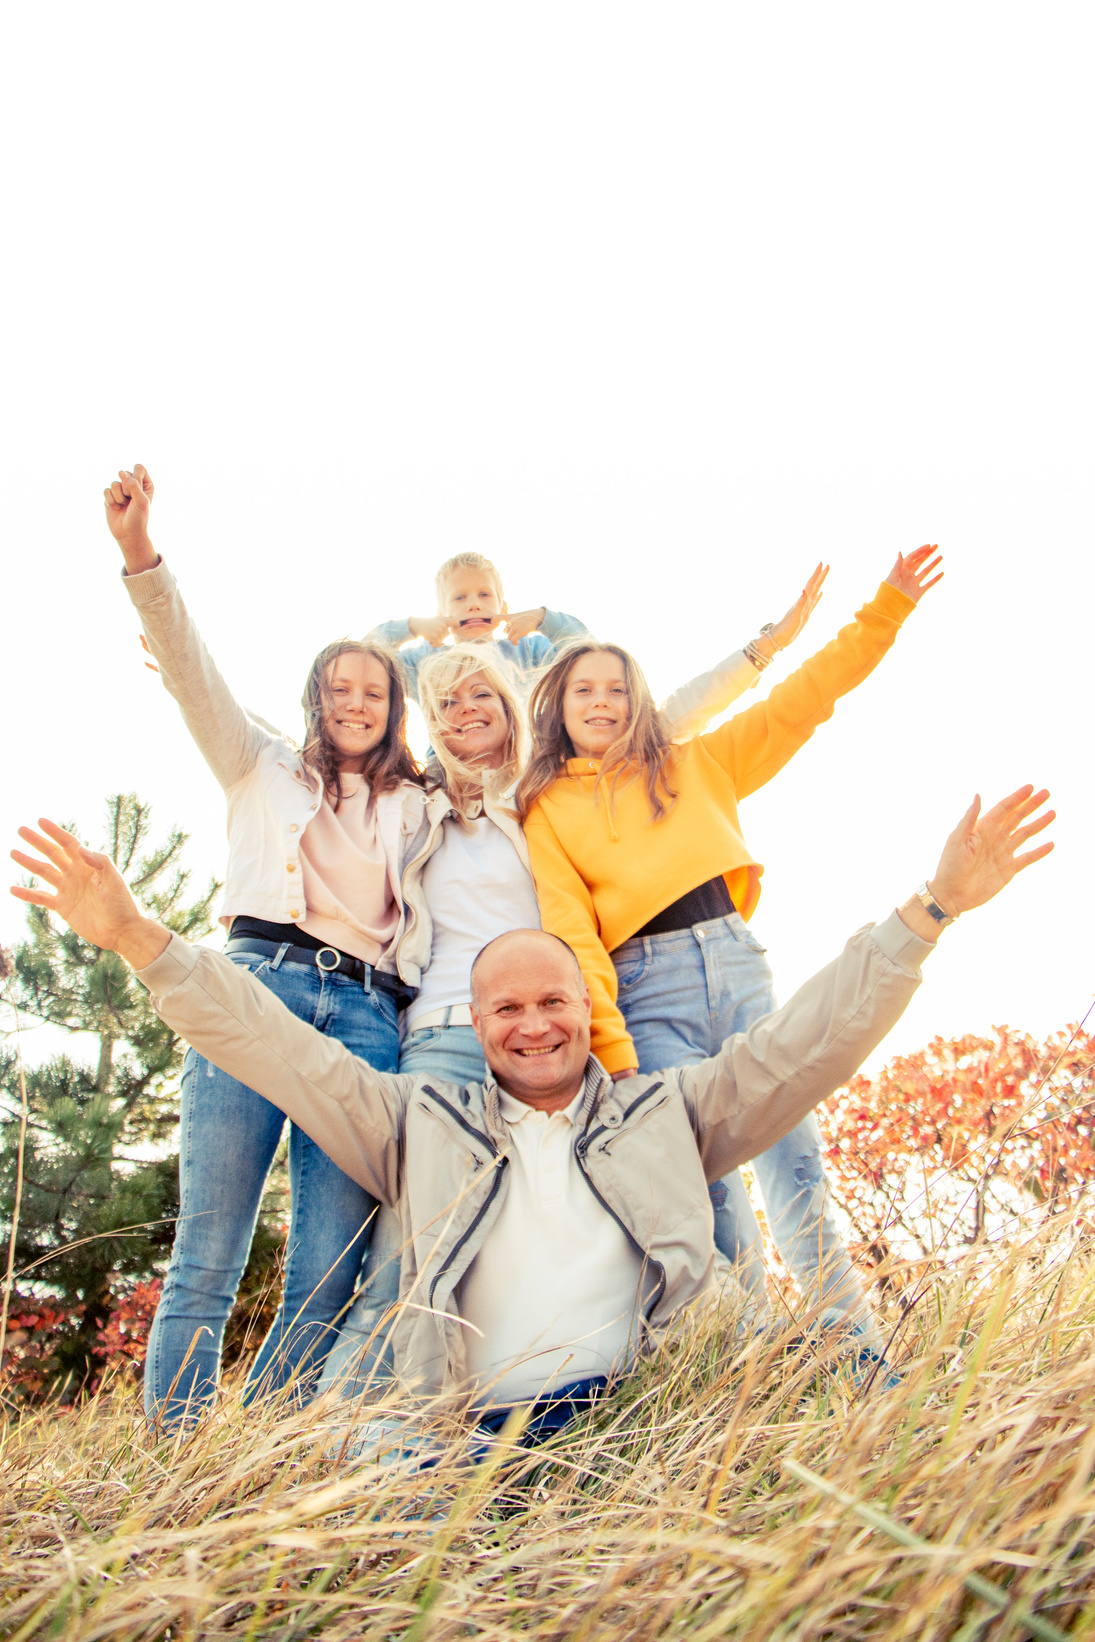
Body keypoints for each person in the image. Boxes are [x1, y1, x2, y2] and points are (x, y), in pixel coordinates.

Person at [11, 787, 1054, 1454]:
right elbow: (273, 1045)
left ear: (584, 1012)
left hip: (639, 1424)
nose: (534, 1024)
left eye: (553, 1001)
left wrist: (930, 910)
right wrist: (143, 939)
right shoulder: (415, 1120)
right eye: (506, 1006)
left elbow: (806, 1043)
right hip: (450, 1439)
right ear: (479, 1022)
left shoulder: (669, 1111)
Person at [516, 548, 942, 1339]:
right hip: (646, 992)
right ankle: (751, 1374)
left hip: (737, 964)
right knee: (708, 1194)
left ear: (638, 703)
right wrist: (612, 1057)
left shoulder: (694, 760)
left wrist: (883, 611)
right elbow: (571, 937)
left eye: (616, 688)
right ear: (559, 708)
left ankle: (858, 1361)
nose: (602, 702)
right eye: (584, 690)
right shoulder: (545, 809)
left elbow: (803, 702)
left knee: (796, 1169)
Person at [103, 465, 429, 1423]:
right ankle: (175, 1459)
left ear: (392, 704)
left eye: (373, 688)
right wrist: (140, 556)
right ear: (314, 699)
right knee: (208, 1251)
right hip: (255, 989)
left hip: (366, 1020)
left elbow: (499, 732)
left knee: (327, 1269)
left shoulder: (421, 804)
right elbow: (192, 668)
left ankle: (262, 1460)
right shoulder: (256, 762)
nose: (356, 700)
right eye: (339, 687)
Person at [366, 549, 829, 732]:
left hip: (526, 765)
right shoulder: (428, 662)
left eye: (484, 594)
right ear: (441, 609)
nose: (473, 604)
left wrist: (545, 619)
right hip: (455, 772)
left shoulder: (527, 651)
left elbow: (587, 652)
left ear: (503, 600)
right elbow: (368, 663)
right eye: (459, 598)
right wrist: (407, 627)